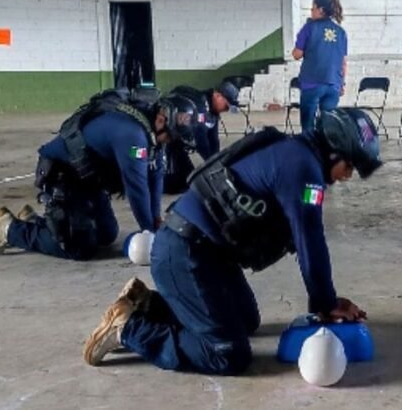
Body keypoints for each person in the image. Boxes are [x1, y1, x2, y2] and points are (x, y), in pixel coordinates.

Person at [82, 108, 382, 375]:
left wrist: (326, 302)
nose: (348, 176)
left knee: (246, 321)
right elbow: (310, 241)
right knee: (227, 354)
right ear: (333, 152)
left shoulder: (295, 152)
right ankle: (129, 328)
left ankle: (148, 305)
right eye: (350, 166)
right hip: (185, 253)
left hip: (207, 253)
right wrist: (327, 304)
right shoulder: (305, 170)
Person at [0, 89, 197, 260]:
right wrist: (149, 232)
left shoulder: (151, 130)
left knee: (106, 235)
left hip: (88, 179)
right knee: (80, 249)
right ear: (161, 119)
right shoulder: (133, 135)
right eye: (172, 137)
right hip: (63, 174)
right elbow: (137, 187)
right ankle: (9, 229)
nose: (171, 142)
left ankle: (35, 223)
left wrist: (156, 219)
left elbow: (156, 173)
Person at [163, 81, 239, 193]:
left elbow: (213, 140)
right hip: (169, 141)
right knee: (176, 183)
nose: (226, 110)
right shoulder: (200, 106)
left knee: (188, 181)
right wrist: (213, 165)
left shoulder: (213, 111)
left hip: (180, 144)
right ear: (217, 95)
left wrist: (218, 163)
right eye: (226, 105)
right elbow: (201, 141)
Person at [292, 0, 348, 132]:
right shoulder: (341, 32)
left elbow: (297, 54)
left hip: (312, 82)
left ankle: (309, 145)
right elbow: (343, 62)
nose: (311, 11)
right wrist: (342, 84)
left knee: (308, 127)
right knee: (328, 126)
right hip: (333, 84)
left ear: (321, 10)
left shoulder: (309, 28)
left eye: (313, 7)